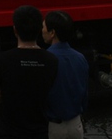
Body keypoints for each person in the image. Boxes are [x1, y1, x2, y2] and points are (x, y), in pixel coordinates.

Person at [0, 5, 59, 139]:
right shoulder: (51, 60)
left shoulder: (2, 60)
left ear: (15, 30)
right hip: (39, 133)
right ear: (39, 30)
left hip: (8, 133)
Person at [42, 10, 89, 139]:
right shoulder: (80, 58)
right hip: (76, 125)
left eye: (44, 27)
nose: (42, 30)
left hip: (54, 126)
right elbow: (84, 93)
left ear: (52, 33)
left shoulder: (45, 59)